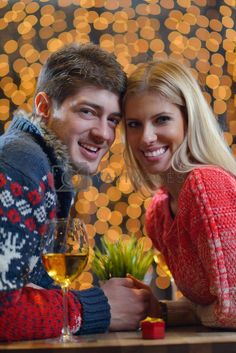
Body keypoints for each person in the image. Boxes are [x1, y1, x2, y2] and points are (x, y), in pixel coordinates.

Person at [0, 43, 150, 341]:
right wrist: (97, 307)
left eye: (113, 120)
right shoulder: (21, 167)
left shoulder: (43, 164)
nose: (104, 134)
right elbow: (5, 312)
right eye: (87, 112)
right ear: (44, 107)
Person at [122, 60, 236, 328]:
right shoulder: (159, 214)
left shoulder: (206, 185)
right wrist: (157, 309)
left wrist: (195, 312)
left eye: (161, 119)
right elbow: (213, 304)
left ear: (189, 120)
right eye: (134, 124)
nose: (146, 137)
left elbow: (231, 310)